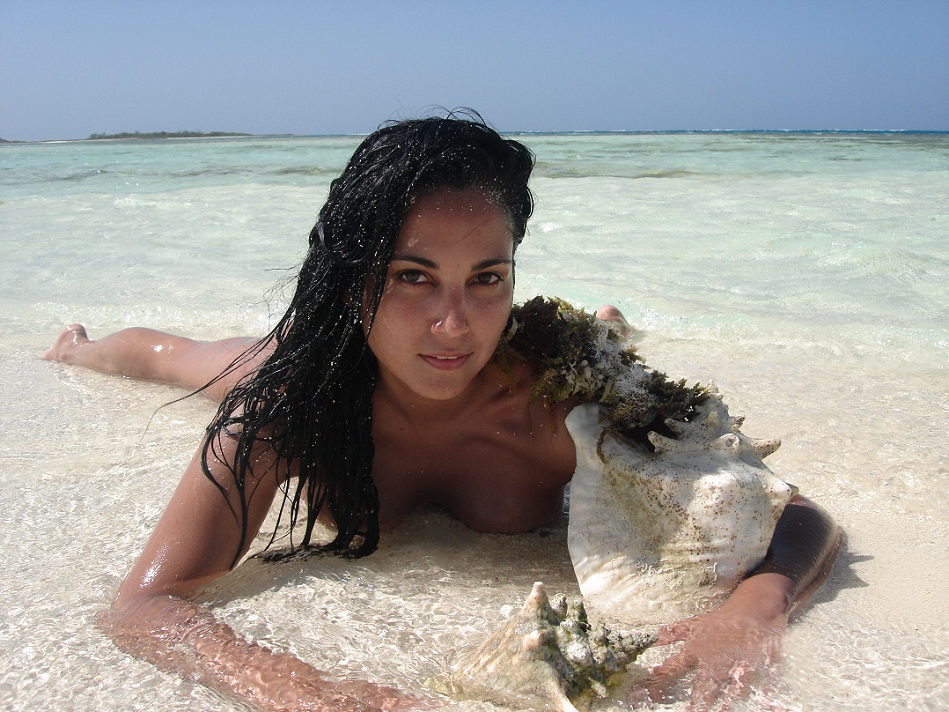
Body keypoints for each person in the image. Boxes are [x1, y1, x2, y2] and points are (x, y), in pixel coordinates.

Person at [44, 114, 839, 711]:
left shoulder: (560, 400)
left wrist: (753, 608)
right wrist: (306, 690)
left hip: (538, 356)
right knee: (184, 358)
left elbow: (794, 513)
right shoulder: (287, 407)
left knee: (599, 344)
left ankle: (606, 324)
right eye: (412, 277)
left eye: (486, 278)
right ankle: (76, 347)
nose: (453, 325)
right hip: (324, 361)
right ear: (353, 280)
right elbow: (143, 606)